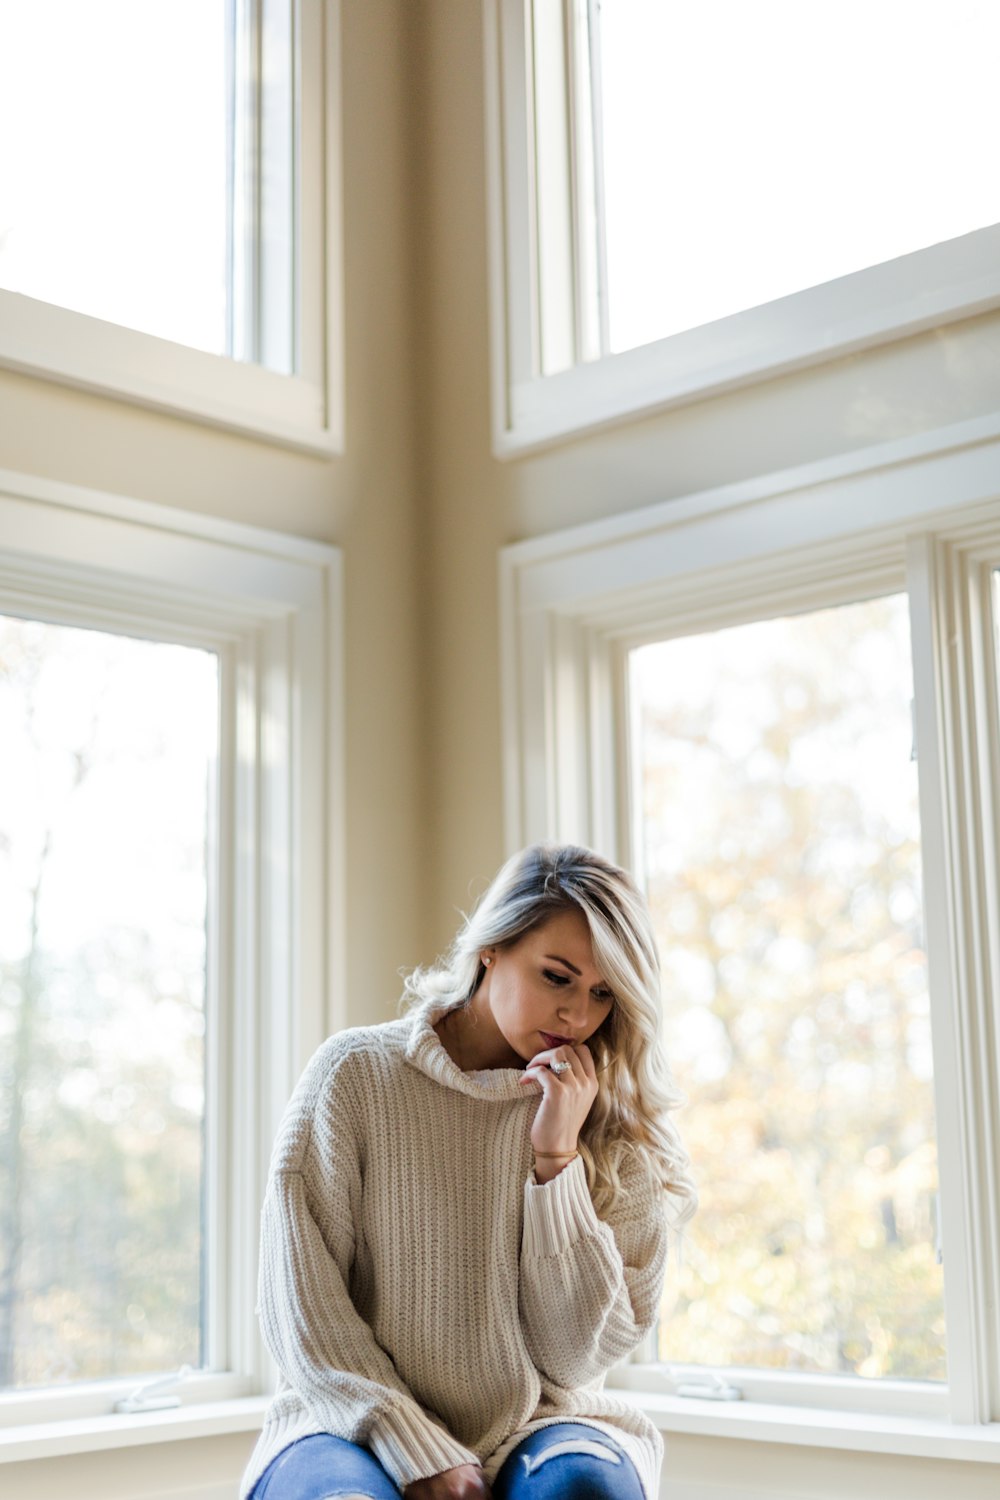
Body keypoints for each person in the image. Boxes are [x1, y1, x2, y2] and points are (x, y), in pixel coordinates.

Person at [241, 843, 697, 1500]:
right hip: (350, 1416)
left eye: (603, 993)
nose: (577, 1016)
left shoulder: (609, 1122)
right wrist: (410, 1440)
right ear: (492, 947)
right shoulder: (354, 1077)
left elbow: (574, 1359)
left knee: (587, 1491)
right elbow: (303, 1310)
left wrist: (556, 1161)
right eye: (557, 976)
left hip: (538, 1421)